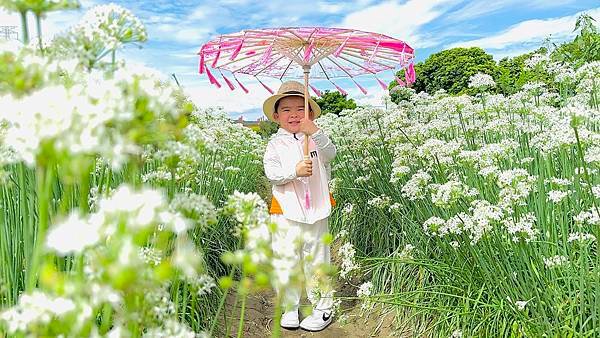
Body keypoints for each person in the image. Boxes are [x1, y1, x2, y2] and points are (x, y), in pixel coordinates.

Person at [262, 80, 337, 332]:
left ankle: (323, 308)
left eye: (301, 109)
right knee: (287, 258)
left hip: (316, 210)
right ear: (276, 116)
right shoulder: (275, 144)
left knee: (317, 259)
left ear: (311, 114)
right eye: (286, 110)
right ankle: (290, 308)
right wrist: (294, 172)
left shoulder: (317, 140)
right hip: (285, 212)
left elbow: (331, 154)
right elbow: (272, 174)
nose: (294, 114)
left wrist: (314, 131)